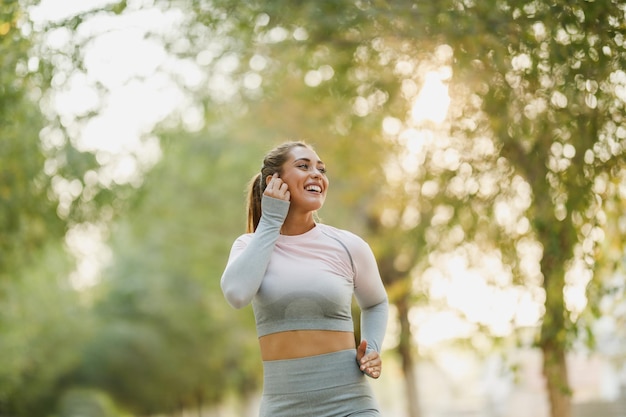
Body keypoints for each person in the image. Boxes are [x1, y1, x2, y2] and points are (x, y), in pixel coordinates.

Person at [220, 141, 389, 417]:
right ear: (275, 182)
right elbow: (237, 295)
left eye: (321, 169)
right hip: (283, 409)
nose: (317, 175)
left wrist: (372, 348)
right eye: (303, 166)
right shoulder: (249, 246)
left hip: (352, 405)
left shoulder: (348, 245)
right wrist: (271, 220)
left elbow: (376, 302)